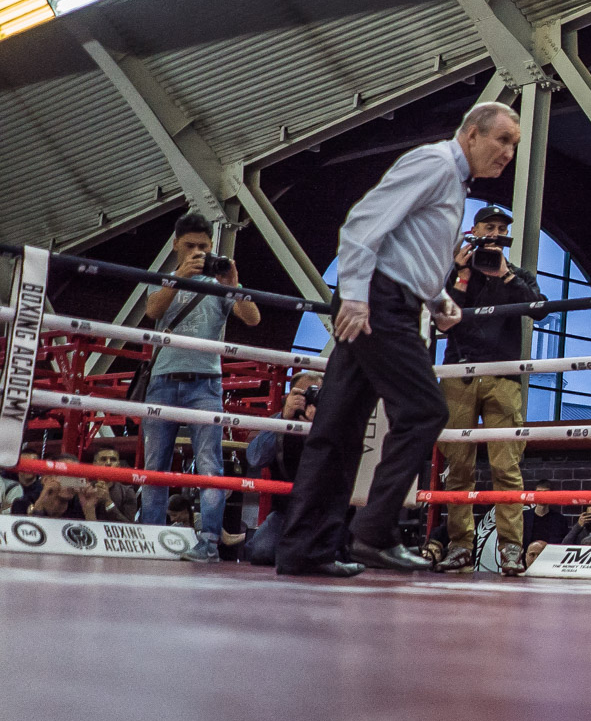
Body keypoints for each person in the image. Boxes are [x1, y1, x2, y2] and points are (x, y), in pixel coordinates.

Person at [275, 102, 520, 578]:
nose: (509, 153)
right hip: (379, 305)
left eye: (514, 144)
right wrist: (355, 296)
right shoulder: (433, 164)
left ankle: (306, 547)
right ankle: (375, 532)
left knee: (338, 427)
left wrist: (437, 299)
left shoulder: (452, 182)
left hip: (390, 300)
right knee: (425, 410)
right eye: (503, 140)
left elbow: (411, 248)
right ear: (471, 134)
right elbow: (364, 224)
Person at [135, 212, 262, 563]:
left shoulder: (219, 284)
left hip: (205, 384)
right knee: (154, 467)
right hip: (163, 381)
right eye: (190, 246)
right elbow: (152, 310)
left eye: (203, 247)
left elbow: (252, 319)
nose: (197, 252)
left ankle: (208, 541)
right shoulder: (164, 279)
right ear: (176, 245)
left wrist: (233, 284)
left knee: (210, 465)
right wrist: (178, 278)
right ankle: (149, 540)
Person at [435, 203, 545, 578]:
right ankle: (459, 547)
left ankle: (511, 549)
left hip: (504, 376)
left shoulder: (518, 274)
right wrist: (462, 273)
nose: (495, 233)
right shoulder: (455, 270)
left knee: (506, 466)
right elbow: (443, 319)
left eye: (501, 228)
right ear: (475, 230)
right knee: (458, 466)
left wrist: (504, 275)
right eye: (489, 226)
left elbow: (539, 309)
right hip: (460, 373)